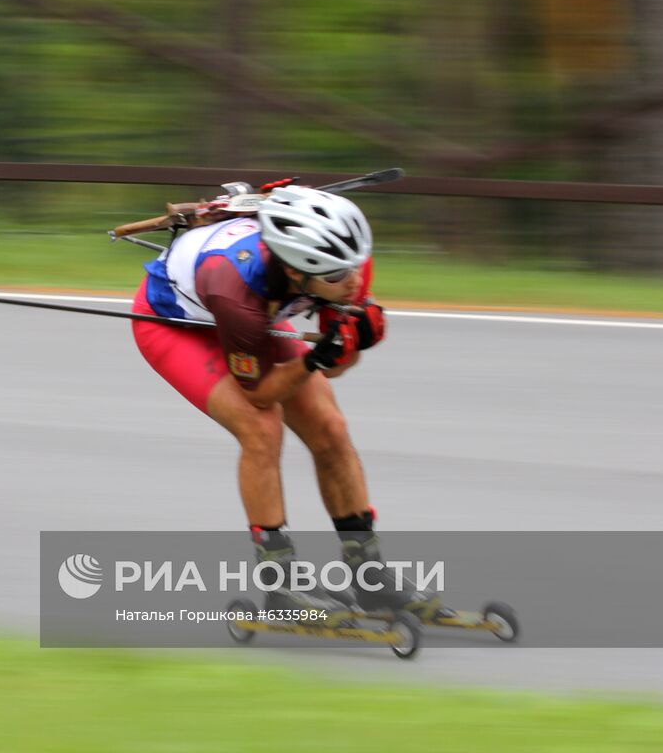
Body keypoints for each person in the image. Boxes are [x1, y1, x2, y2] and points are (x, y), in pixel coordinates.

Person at [131, 184, 436, 619]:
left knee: (330, 428)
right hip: (178, 324)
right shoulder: (235, 287)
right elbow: (259, 393)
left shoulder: (340, 262)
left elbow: (334, 366)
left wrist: (350, 344)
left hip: (260, 314)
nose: (354, 282)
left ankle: (370, 575)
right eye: (337, 276)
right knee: (261, 428)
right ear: (296, 271)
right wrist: (317, 356)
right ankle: (282, 587)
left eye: (356, 267)